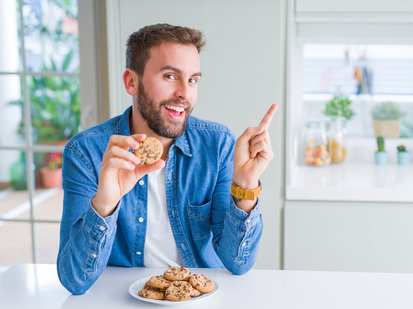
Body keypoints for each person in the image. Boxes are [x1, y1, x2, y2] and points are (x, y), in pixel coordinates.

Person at [57, 24, 276, 295]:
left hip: (200, 306)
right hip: (119, 304)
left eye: (193, 79)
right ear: (131, 81)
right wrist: (105, 204)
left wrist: (246, 184)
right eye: (170, 76)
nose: (184, 93)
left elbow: (238, 263)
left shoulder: (218, 144)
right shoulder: (86, 152)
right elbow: (74, 281)